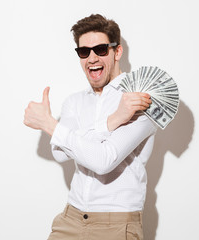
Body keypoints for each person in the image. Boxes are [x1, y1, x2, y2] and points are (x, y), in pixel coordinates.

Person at [24, 14, 157, 240]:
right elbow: (59, 153)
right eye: (84, 52)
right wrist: (113, 121)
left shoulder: (140, 98)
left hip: (116, 224)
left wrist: (50, 125)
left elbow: (103, 160)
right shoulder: (74, 102)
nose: (92, 58)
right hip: (71, 217)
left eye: (101, 49)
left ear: (117, 52)